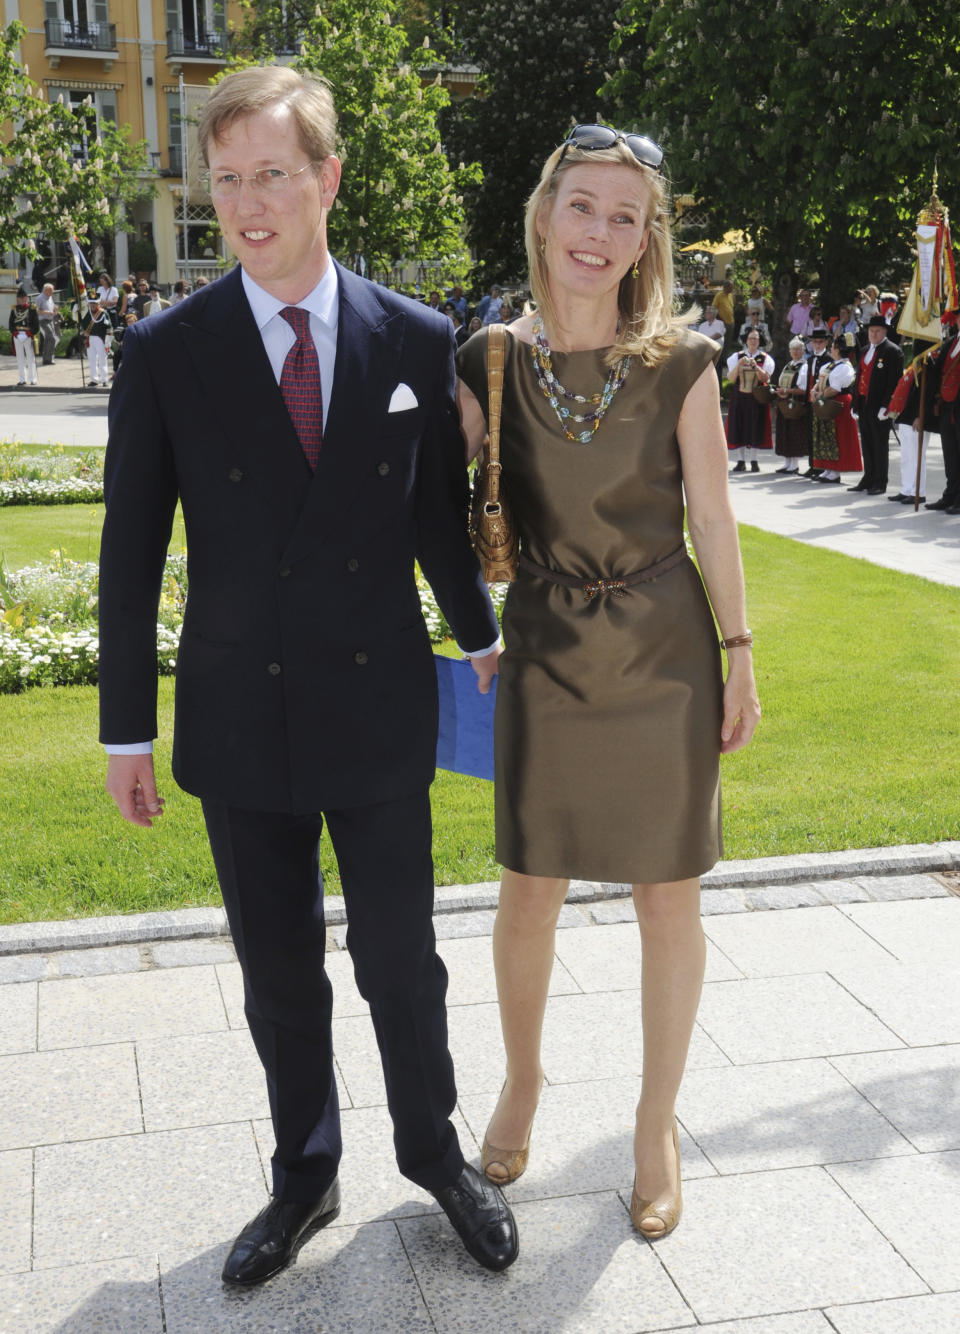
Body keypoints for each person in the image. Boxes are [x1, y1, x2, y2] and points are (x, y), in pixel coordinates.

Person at [97, 65, 517, 1287]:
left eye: (270, 173)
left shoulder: (414, 336)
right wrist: (127, 730)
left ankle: (437, 1155)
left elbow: (438, 521)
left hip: (377, 696)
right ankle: (303, 1173)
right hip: (240, 713)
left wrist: (483, 640)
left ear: (326, 178)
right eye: (225, 179)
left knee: (402, 956)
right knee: (277, 966)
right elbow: (131, 558)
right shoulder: (165, 350)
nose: (245, 202)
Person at [455, 123, 760, 1241]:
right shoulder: (486, 359)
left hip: (664, 656)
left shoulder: (683, 361)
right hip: (543, 650)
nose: (598, 231)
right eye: (581, 206)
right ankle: (524, 1082)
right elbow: (450, 519)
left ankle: (654, 1123)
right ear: (544, 214)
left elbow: (714, 515)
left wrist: (739, 654)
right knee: (528, 886)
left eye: (623, 217)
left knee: (665, 895)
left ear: (646, 242)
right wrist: (462, 629)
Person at [850, 314, 903, 494]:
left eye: (877, 331)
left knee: (880, 443)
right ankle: (868, 477)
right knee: (866, 441)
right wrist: (854, 403)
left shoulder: (892, 351)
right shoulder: (865, 350)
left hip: (879, 404)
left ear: (885, 331)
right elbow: (859, 378)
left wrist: (886, 405)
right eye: (871, 331)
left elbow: (894, 382)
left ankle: (880, 481)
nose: (873, 334)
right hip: (864, 402)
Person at [810, 336, 861, 484]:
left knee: (836, 436)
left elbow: (835, 389)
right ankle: (828, 467)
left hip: (838, 402)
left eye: (833, 347)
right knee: (825, 434)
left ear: (838, 350)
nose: (831, 349)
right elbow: (820, 381)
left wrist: (820, 395)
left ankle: (835, 471)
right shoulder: (831, 365)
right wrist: (814, 391)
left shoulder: (845, 367)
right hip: (827, 401)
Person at [725, 327, 774, 471]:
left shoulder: (765, 358)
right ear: (746, 340)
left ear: (760, 341)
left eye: (756, 338)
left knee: (755, 426)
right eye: (751, 338)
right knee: (739, 425)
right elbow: (731, 378)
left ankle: (754, 460)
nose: (753, 341)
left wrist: (756, 366)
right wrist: (739, 365)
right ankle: (741, 460)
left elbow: (765, 378)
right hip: (739, 396)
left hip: (756, 397)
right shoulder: (736, 357)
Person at [926, 314, 960, 513]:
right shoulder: (951, 342)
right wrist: (927, 361)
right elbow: (939, 370)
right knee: (950, 453)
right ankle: (950, 494)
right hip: (947, 405)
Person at [773, 337, 809, 473]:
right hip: (784, 402)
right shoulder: (788, 365)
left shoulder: (804, 366)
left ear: (802, 351)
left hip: (796, 403)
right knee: (784, 431)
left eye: (798, 349)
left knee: (794, 431)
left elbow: (803, 389)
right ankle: (787, 463)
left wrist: (787, 391)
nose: (795, 351)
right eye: (793, 349)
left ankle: (794, 464)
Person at [9, 287, 40, 385]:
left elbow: (36, 325)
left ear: (26, 298)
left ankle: (33, 379)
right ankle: (22, 379)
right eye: (19, 298)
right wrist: (16, 334)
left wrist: (28, 334)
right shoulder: (14, 309)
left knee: (30, 358)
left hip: (28, 335)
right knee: (20, 358)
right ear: (17, 299)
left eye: (23, 298)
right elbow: (11, 324)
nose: (21, 300)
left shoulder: (32, 309)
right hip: (17, 335)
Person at [83, 298, 112, 386]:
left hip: (101, 338)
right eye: (91, 303)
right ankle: (94, 380)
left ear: (98, 303)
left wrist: (108, 339)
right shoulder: (88, 313)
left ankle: (104, 380)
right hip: (90, 338)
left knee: (102, 360)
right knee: (92, 360)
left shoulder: (103, 313)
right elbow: (83, 324)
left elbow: (109, 327)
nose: (93, 305)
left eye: (95, 303)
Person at [36, 282, 59, 365]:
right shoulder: (39, 298)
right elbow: (36, 310)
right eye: (51, 291)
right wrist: (46, 312)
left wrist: (55, 309)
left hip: (50, 320)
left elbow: (52, 306)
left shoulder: (50, 297)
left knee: (48, 339)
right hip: (43, 320)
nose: (52, 293)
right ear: (46, 290)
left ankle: (47, 359)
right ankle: (48, 358)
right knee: (52, 337)